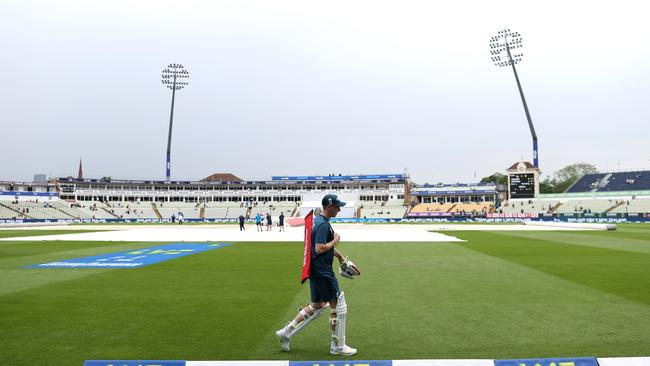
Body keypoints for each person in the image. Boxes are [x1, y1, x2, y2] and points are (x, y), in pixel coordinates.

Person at [275, 194, 357, 356]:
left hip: (317, 269)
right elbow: (320, 248)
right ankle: (338, 346)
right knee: (338, 306)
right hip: (322, 271)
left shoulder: (320, 222)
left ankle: (285, 332)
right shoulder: (322, 225)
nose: (339, 209)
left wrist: (340, 256)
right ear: (329, 206)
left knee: (317, 304)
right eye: (337, 206)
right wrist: (336, 240)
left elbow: (319, 247)